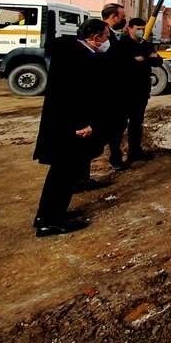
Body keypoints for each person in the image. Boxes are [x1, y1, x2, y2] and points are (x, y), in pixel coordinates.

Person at [32, 19, 110, 237]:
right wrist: (81, 123)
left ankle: (49, 215)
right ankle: (49, 222)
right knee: (63, 175)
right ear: (95, 38)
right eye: (106, 36)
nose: (107, 41)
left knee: (63, 174)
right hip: (71, 129)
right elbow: (70, 94)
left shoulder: (74, 52)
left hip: (67, 126)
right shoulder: (77, 57)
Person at [117, 18, 162, 163]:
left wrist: (144, 59)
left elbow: (158, 61)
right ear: (130, 28)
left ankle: (135, 152)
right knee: (120, 124)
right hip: (124, 90)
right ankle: (116, 156)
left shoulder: (145, 44)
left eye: (143, 28)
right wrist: (137, 60)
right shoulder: (122, 43)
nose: (141, 31)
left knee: (137, 123)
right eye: (138, 28)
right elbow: (121, 62)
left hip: (141, 90)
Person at [101, 3, 130, 170]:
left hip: (114, 91)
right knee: (113, 127)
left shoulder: (111, 35)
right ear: (114, 17)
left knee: (117, 126)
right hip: (109, 92)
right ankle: (114, 159)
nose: (124, 19)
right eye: (122, 16)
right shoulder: (103, 36)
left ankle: (116, 157)